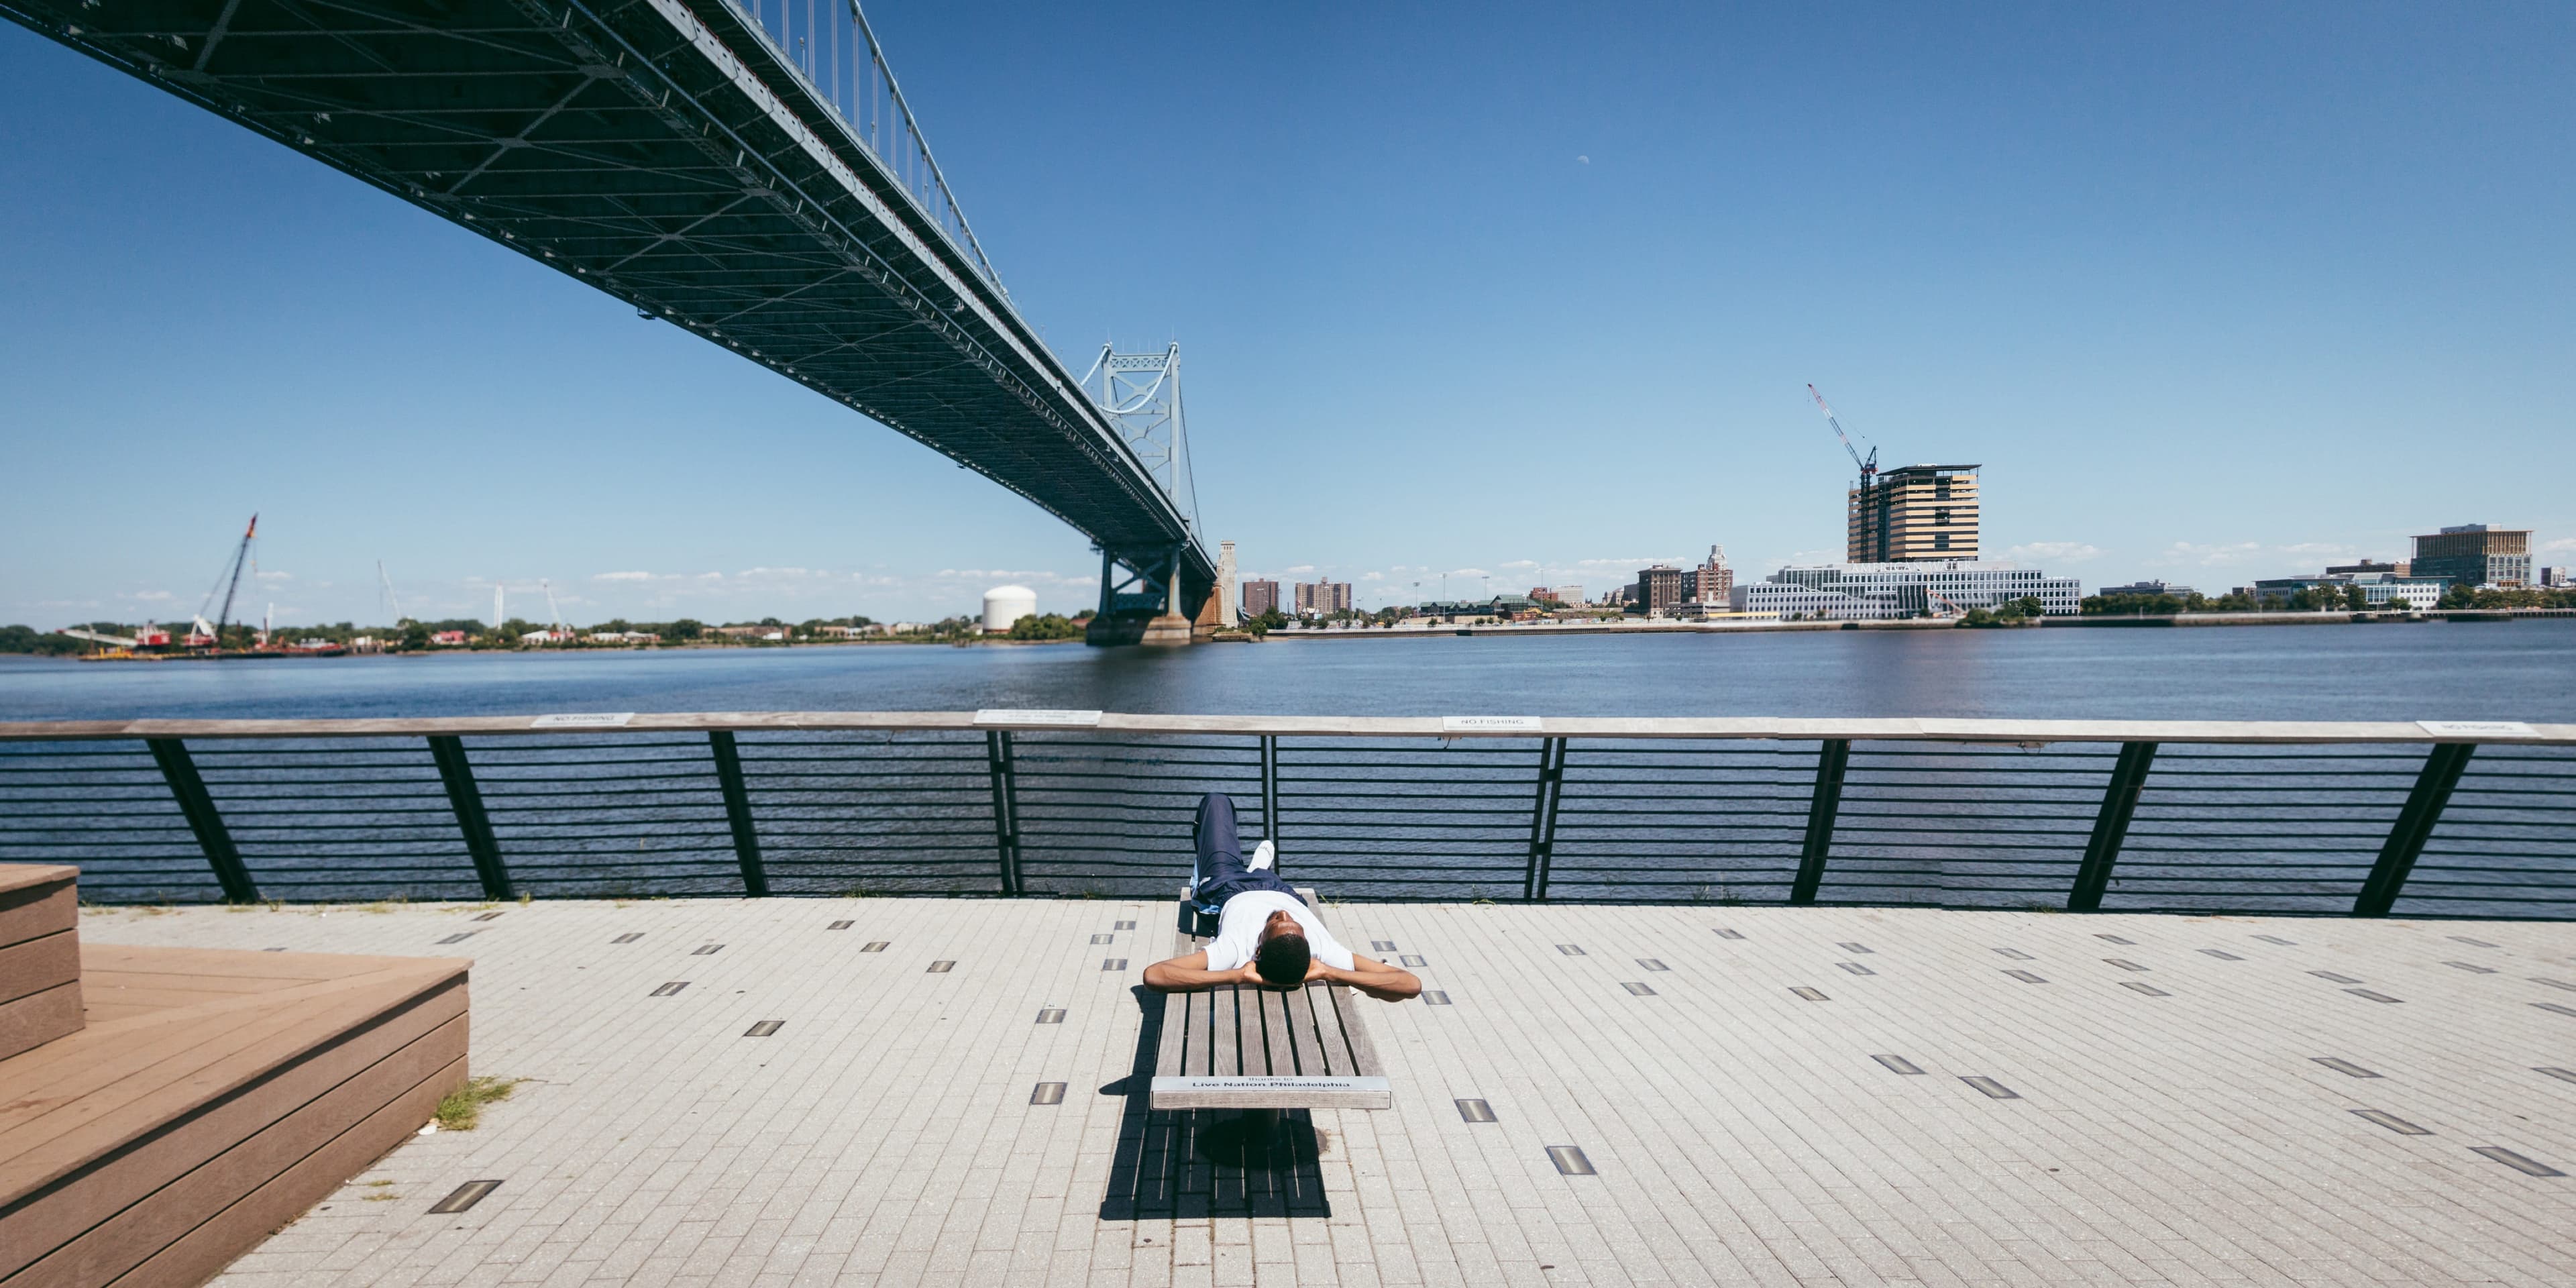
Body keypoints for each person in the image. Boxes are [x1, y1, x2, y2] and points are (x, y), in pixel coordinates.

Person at [1142, 794, 1421, 1002]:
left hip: (1228, 888)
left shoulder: (1235, 951)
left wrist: (1237, 975)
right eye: (1293, 923)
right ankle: (1259, 868)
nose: (1283, 914)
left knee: (1216, 804)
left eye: (1275, 921)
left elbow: (1154, 975)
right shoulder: (1324, 951)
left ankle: (1237, 871)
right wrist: (1328, 971)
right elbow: (1410, 984)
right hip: (1280, 890)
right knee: (1273, 883)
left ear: (1259, 950)